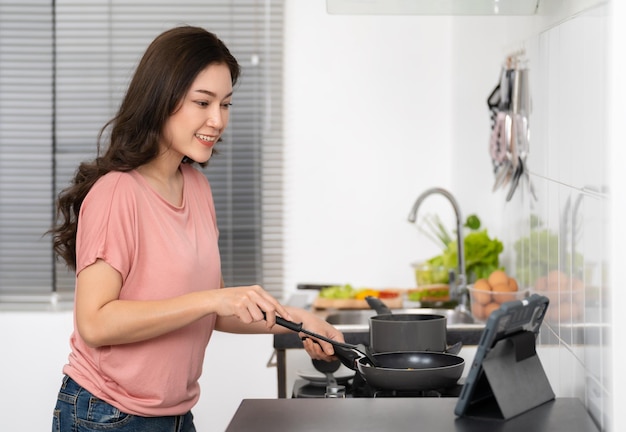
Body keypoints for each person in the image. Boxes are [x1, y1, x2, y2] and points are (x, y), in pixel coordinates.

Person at [49, 25, 343, 432]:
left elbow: (219, 311)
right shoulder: (117, 193)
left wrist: (299, 320)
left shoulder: (197, 187)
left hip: (172, 415)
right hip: (108, 414)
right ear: (161, 99)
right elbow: (95, 323)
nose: (217, 119)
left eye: (225, 104)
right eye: (202, 102)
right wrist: (211, 300)